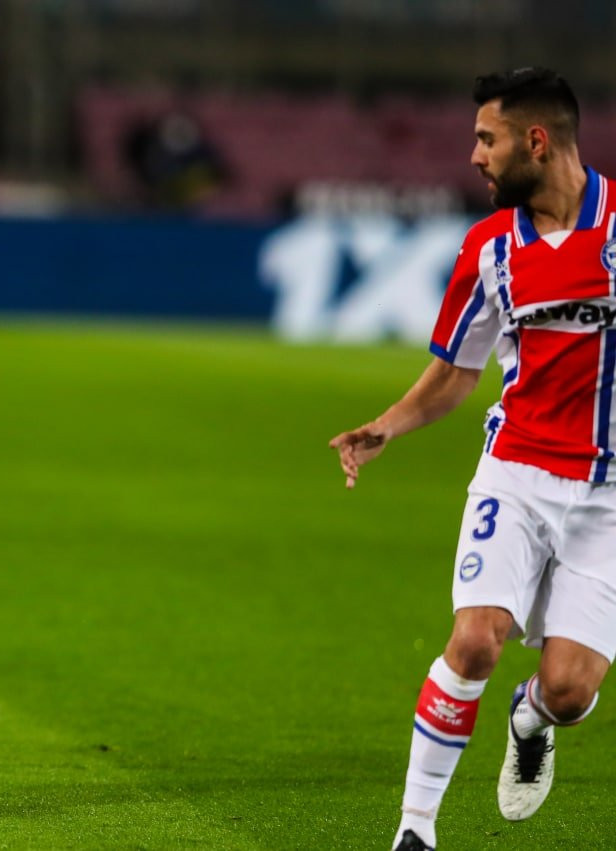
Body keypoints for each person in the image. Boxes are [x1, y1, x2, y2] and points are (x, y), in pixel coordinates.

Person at [330, 67, 613, 850]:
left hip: (611, 497)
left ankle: (532, 716)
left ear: (536, 140)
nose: (474, 156)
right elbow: (459, 369)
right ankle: (414, 829)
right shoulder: (490, 247)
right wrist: (388, 424)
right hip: (517, 472)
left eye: (486, 138)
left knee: (568, 690)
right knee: (476, 636)